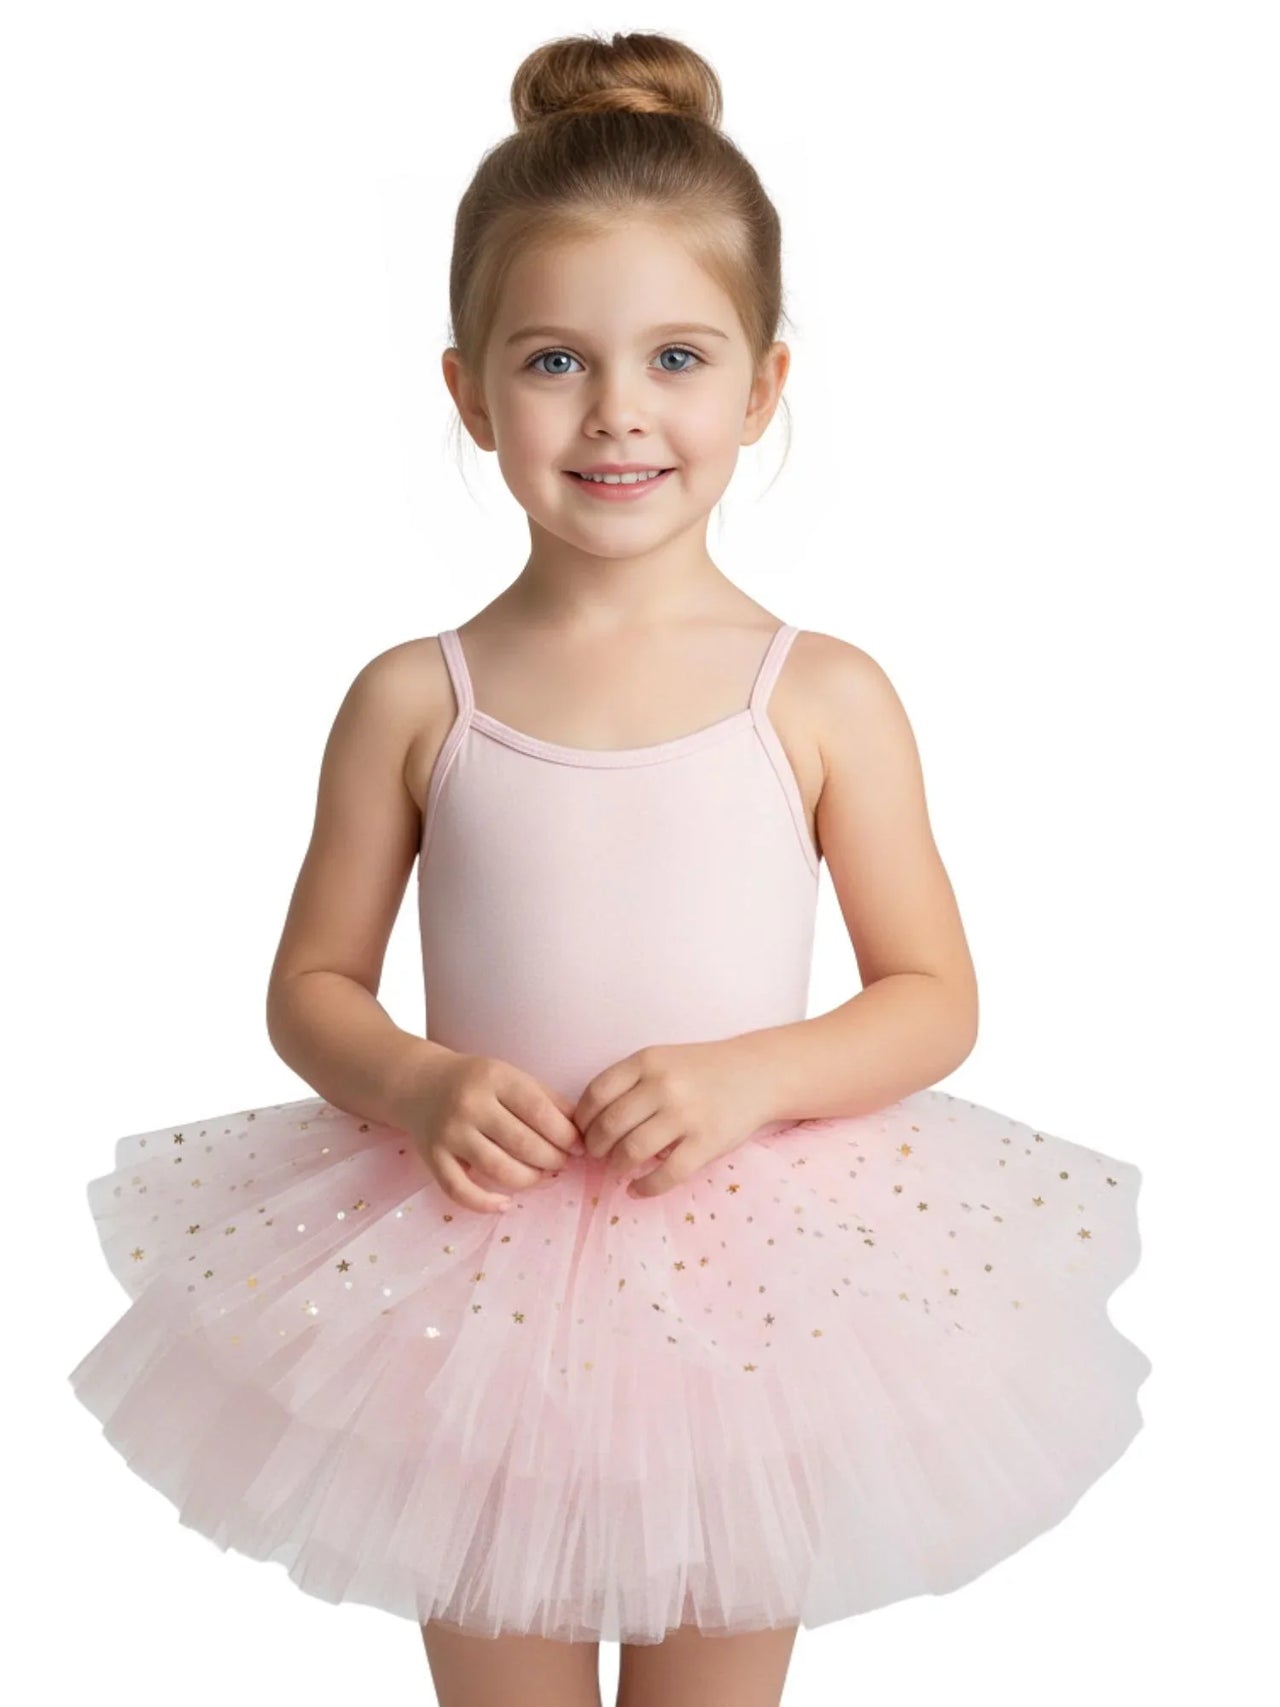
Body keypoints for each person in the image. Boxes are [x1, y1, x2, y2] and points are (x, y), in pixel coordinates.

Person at [66, 27, 1152, 1707]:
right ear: (467, 387)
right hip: (467, 1287)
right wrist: (418, 1083)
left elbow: (934, 998)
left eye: (678, 358)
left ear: (765, 385)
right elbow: (311, 988)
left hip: (758, 1293)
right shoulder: (422, 696)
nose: (619, 412)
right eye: (556, 360)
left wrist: (752, 1077)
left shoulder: (825, 694)